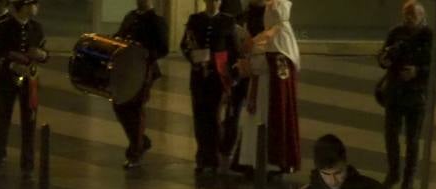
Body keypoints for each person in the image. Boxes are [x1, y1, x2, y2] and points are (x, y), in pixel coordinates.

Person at [377, 1, 436, 189]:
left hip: (416, 95)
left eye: (412, 15)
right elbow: (383, 55)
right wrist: (383, 59)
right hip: (395, 93)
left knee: (412, 140)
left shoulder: (430, 36)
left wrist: (417, 71)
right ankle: (393, 174)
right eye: (406, 15)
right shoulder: (396, 32)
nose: (408, 19)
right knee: (391, 136)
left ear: (422, 16)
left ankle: (408, 181)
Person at [234, 0, 299, 174]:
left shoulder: (282, 36)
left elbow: (273, 63)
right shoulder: (270, 33)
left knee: (266, 124)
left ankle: (270, 164)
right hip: (260, 86)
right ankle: (251, 161)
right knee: (253, 122)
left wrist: (251, 64)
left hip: (270, 92)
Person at [0, 0, 46, 173]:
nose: (35, 7)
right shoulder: (4, 26)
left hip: (29, 80)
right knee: (2, 119)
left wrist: (42, 55)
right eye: (32, 4)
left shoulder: (36, 28)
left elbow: (43, 51)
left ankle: (27, 162)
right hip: (4, 81)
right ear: (23, 7)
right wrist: (10, 64)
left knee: (29, 121)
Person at [180, 0, 237, 175]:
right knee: (199, 116)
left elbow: (232, 49)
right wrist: (193, 56)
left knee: (213, 116)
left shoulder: (227, 21)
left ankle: (213, 157)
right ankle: (202, 156)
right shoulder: (195, 19)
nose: (214, 2)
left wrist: (232, 75)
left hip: (217, 77)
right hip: (199, 76)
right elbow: (185, 44)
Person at [113, 0, 168, 169]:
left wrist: (146, 54)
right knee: (120, 105)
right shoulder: (130, 16)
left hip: (144, 71)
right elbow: (120, 35)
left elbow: (163, 48)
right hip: (127, 70)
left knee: (136, 109)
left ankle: (135, 152)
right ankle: (141, 141)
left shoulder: (156, 21)